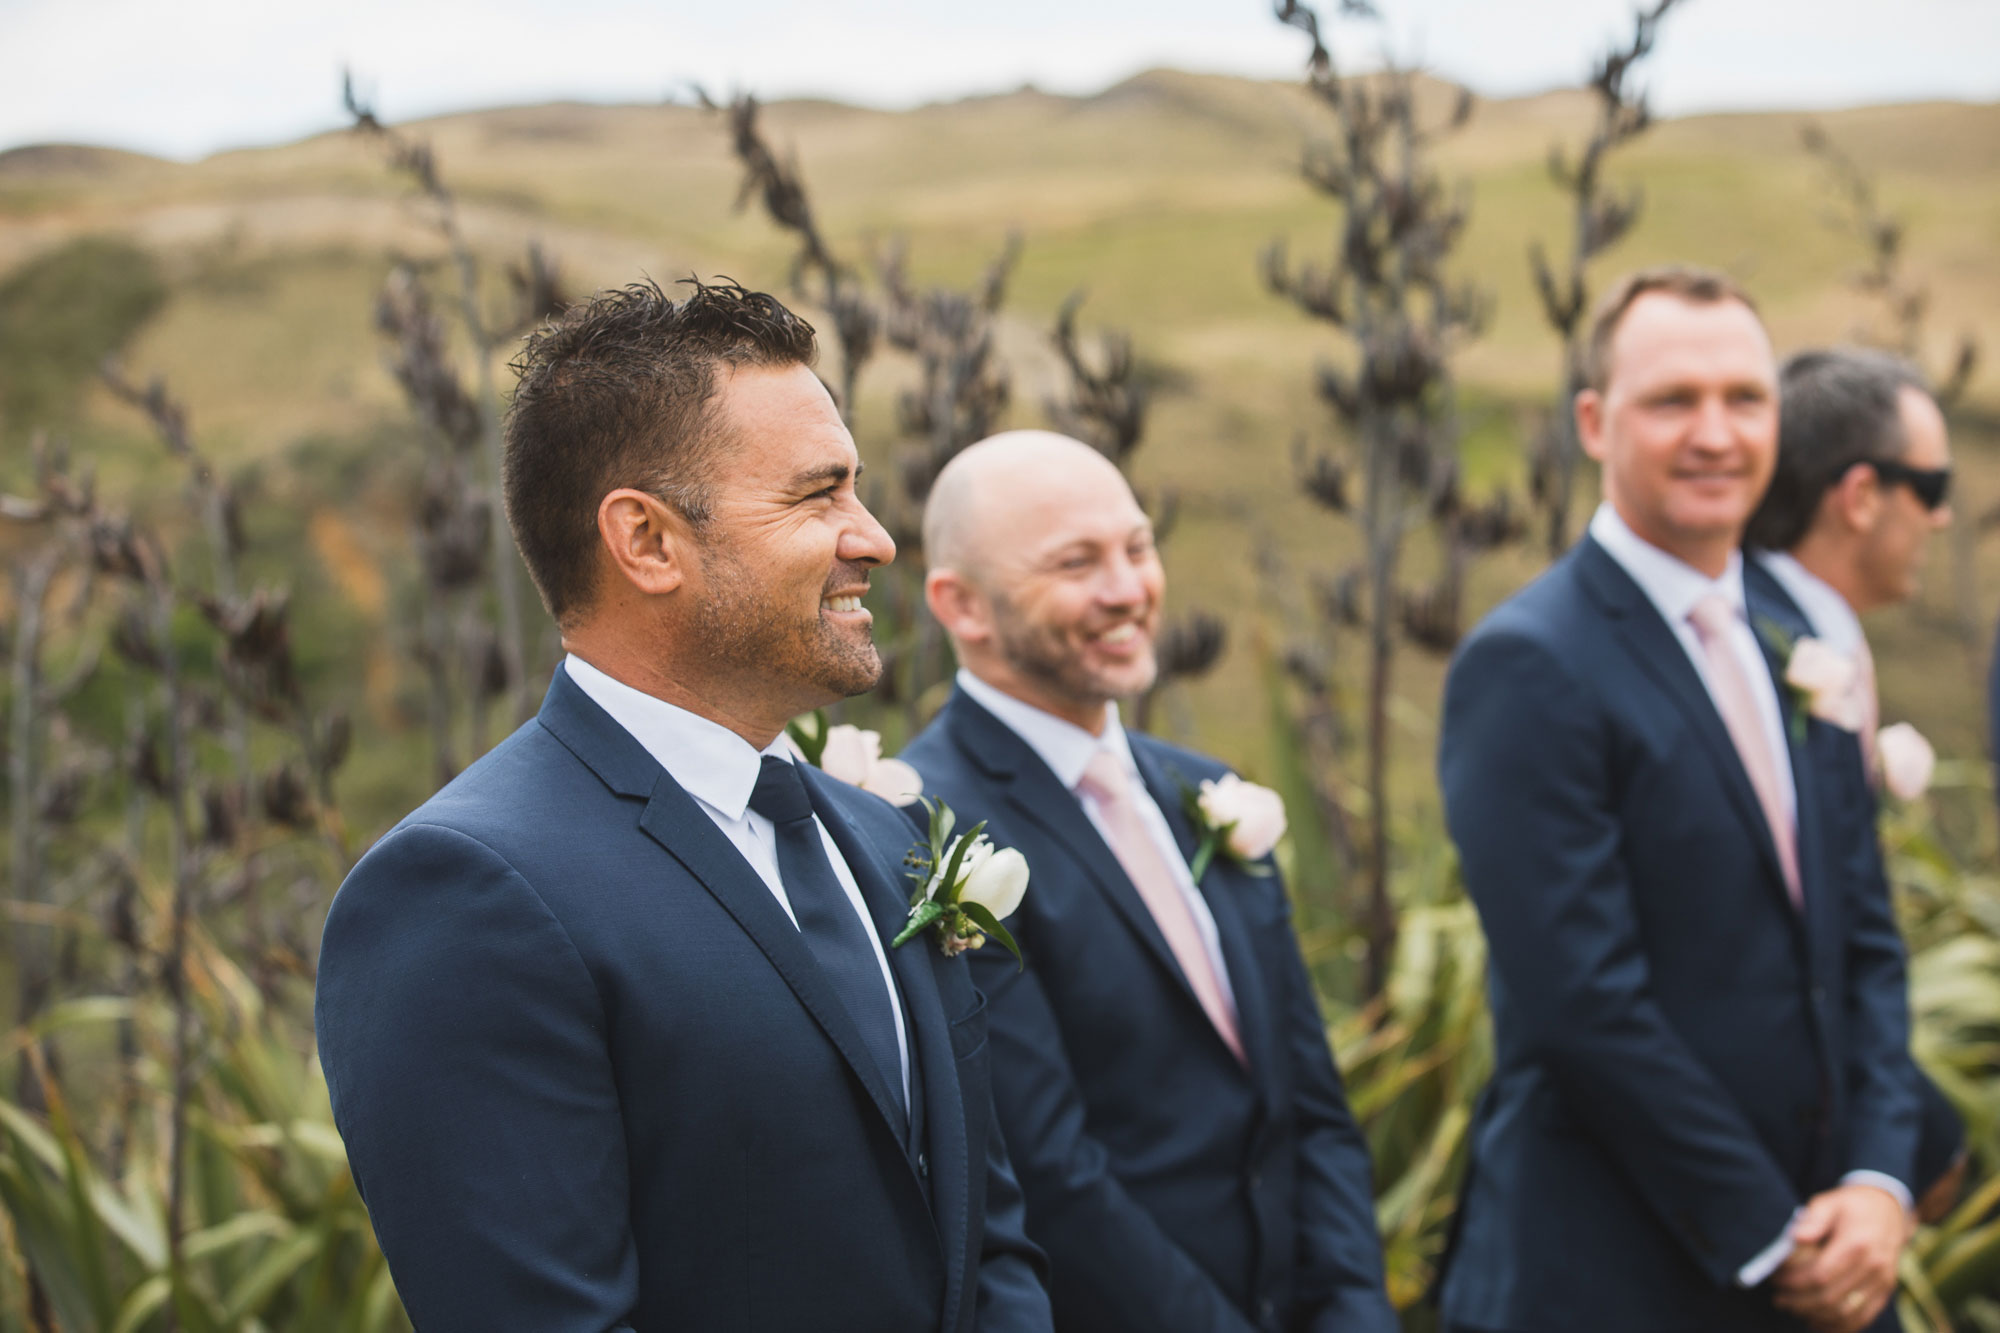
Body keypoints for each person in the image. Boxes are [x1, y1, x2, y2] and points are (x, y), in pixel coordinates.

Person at [314, 279, 1052, 1333]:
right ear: (647, 541)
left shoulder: (884, 839)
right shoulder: (465, 893)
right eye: (817, 496)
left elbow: (988, 1241)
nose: (876, 538)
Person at [1437, 267, 1920, 1332]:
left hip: (1835, 1255)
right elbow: (1581, 1003)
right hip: (1618, 1275)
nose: (1714, 433)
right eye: (1672, 401)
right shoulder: (1526, 663)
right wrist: (1770, 1233)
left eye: (1742, 399)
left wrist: (1879, 1184)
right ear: (1594, 422)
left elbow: (1864, 943)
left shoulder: (1796, 644)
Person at [900, 430, 1396, 1333]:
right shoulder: (932, 834)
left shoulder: (1201, 787)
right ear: (962, 604)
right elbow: (1050, 1173)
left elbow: (1311, 1110)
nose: (1128, 589)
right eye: (1076, 563)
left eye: (1137, 546)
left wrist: (1358, 1313)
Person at [1744, 346, 1966, 1224]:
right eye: (1934, 485)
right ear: (1860, 494)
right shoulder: (1758, 653)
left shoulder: (1814, 638)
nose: (1945, 519)